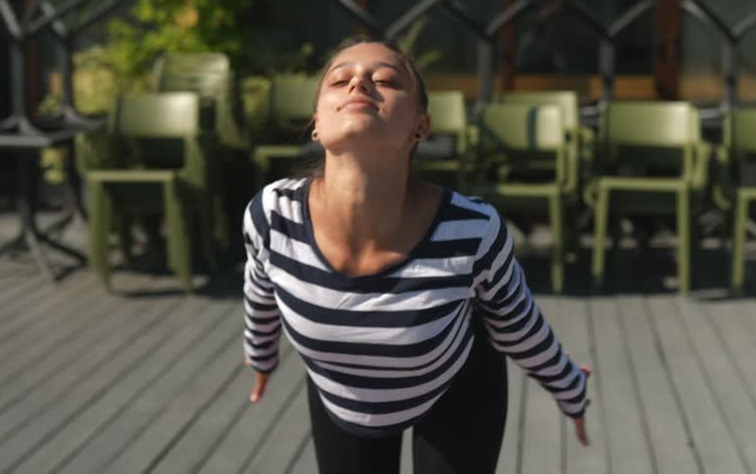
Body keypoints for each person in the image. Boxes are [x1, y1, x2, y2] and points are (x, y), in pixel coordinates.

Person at [241, 39, 592, 474]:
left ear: (420, 127)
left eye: (385, 79)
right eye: (339, 79)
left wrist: (569, 386)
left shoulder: (471, 230)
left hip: (458, 391)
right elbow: (260, 292)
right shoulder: (272, 215)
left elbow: (515, 324)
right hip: (345, 399)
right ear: (317, 122)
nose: (359, 83)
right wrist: (261, 358)